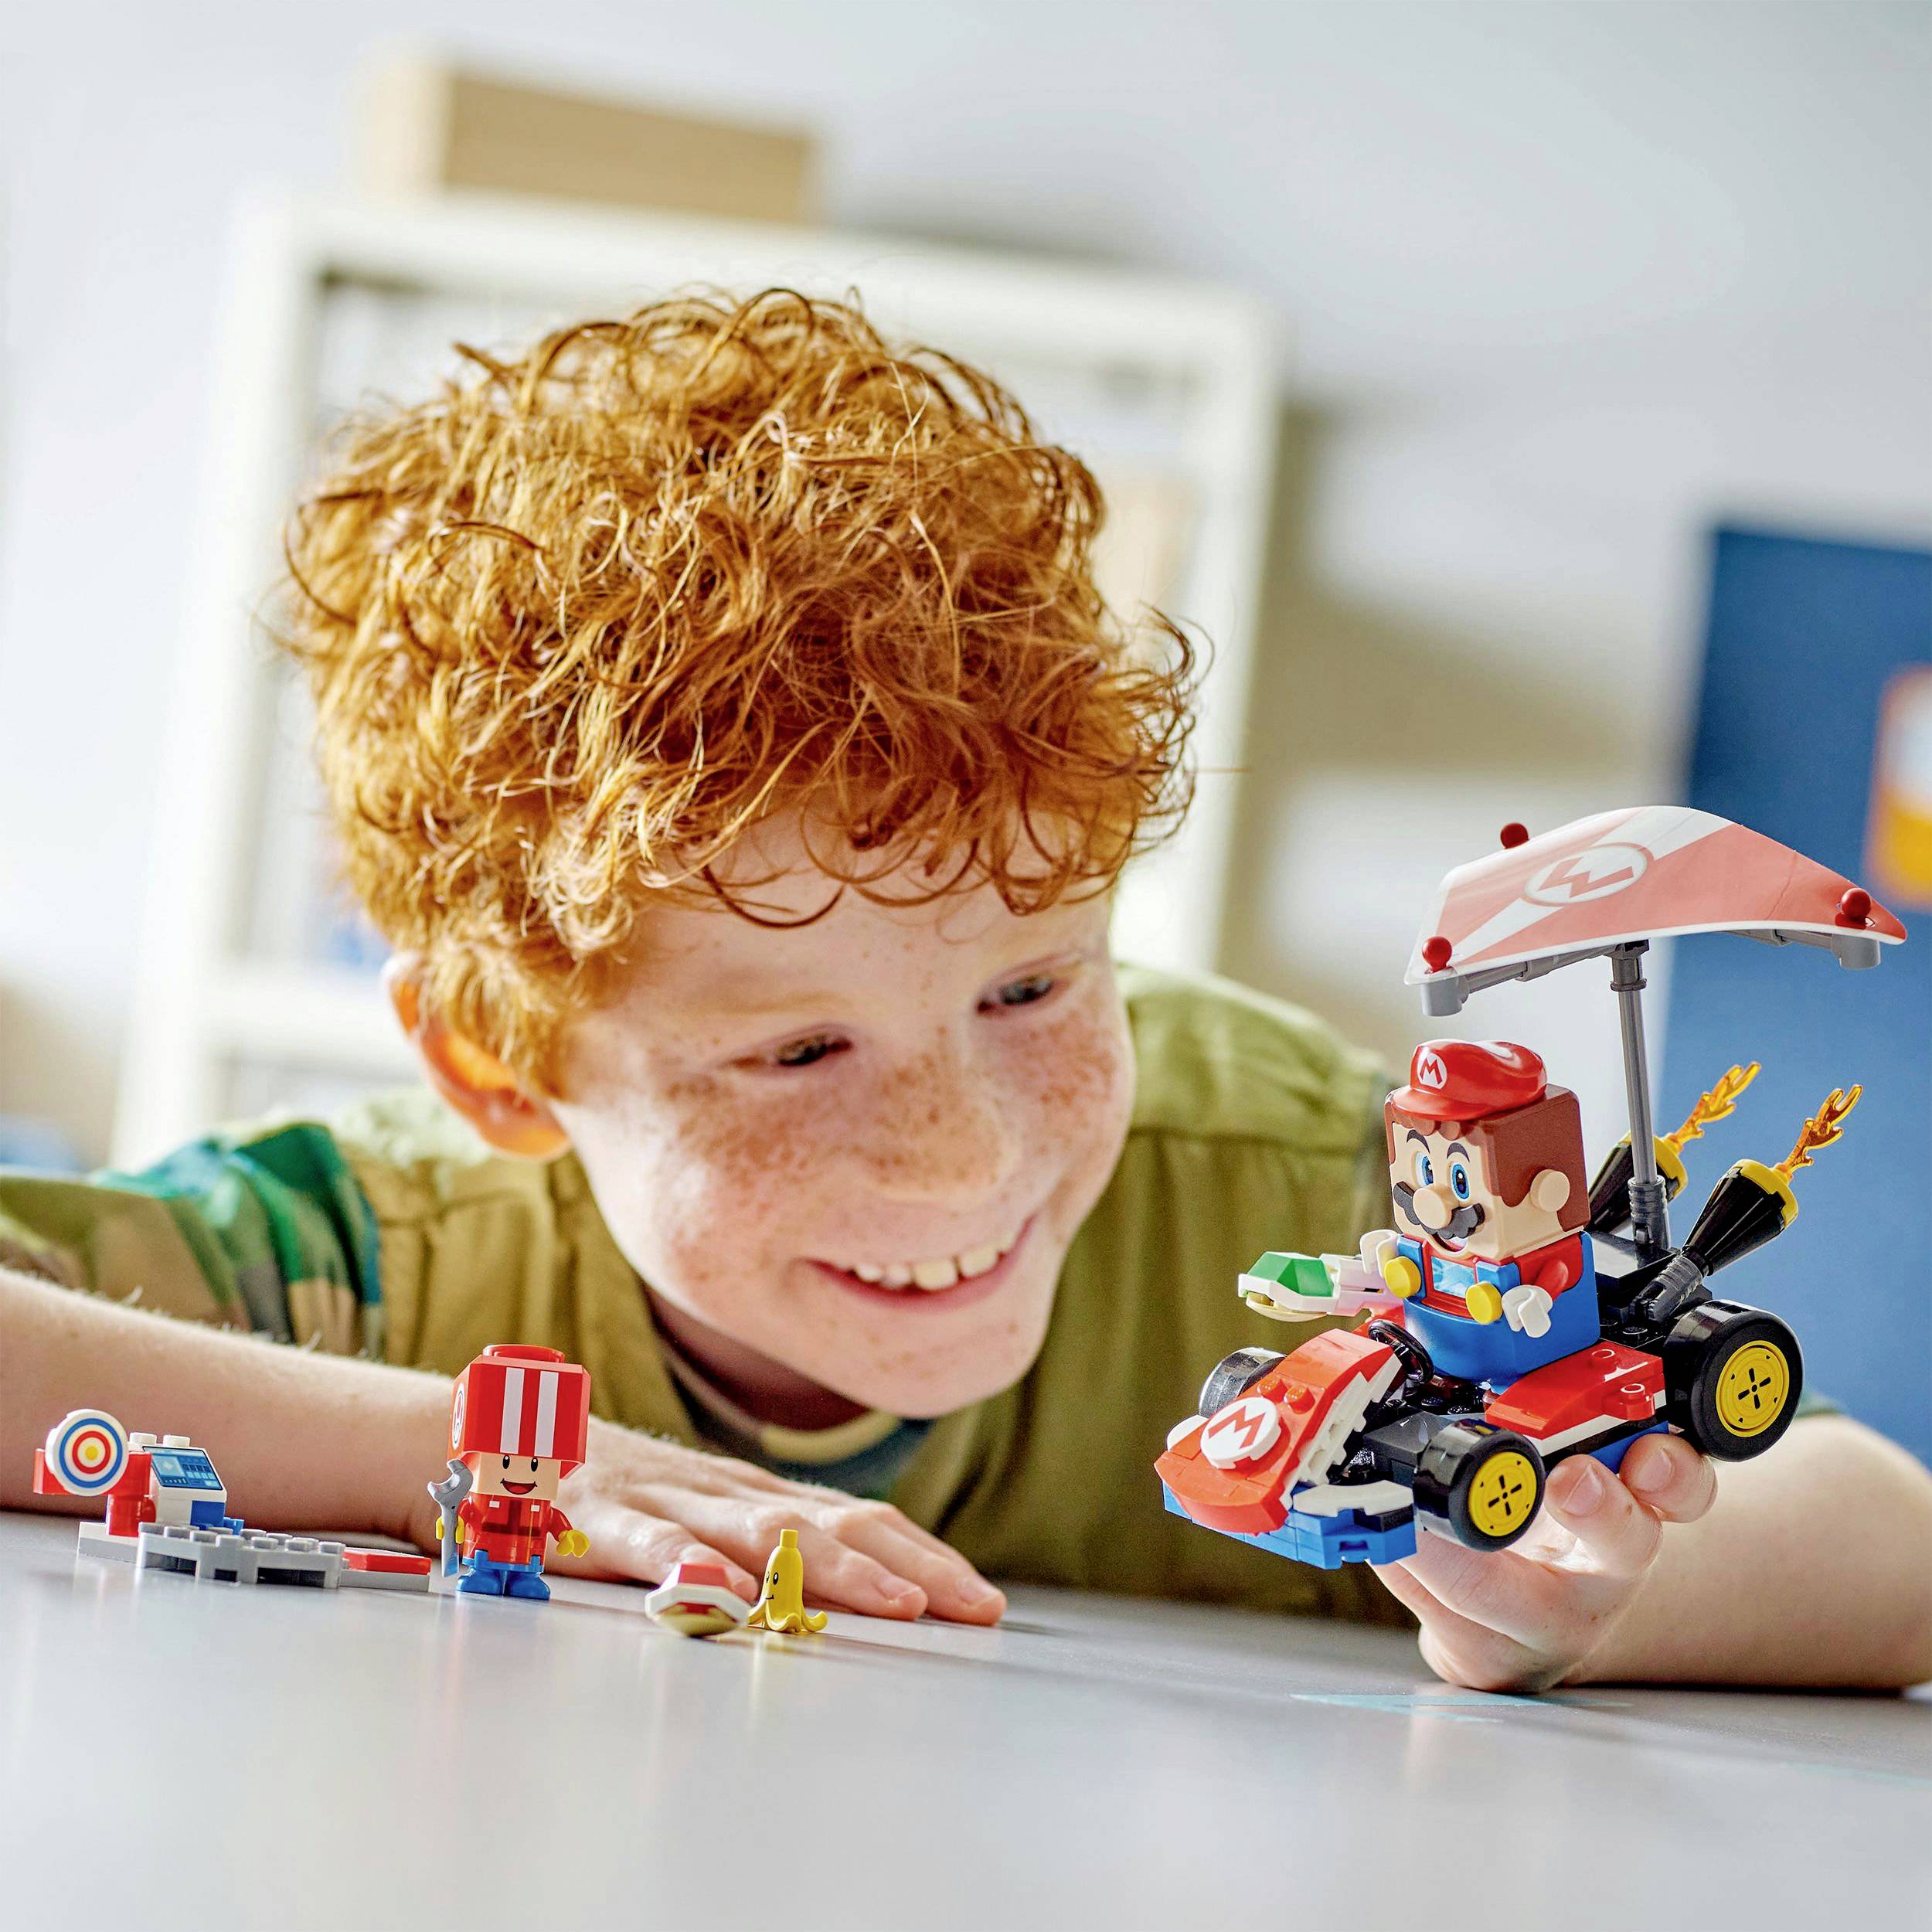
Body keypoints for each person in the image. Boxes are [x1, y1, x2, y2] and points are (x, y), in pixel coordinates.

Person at [3, 292, 1927, 1692]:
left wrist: (1590, 1596)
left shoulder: (1280, 1179)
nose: (960, 1158)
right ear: (501, 1065)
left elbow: (1883, 1536)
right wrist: (510, 1449)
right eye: (794, 1046)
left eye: (1028, 988)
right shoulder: (387, 1266)